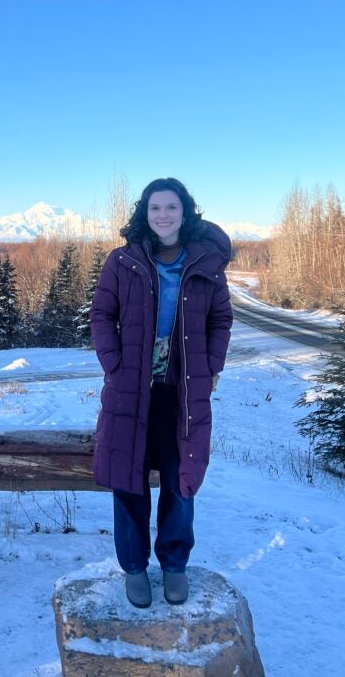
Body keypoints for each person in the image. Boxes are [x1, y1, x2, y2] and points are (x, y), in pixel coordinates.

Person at [89, 177, 233, 608]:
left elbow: (220, 321)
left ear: (186, 212)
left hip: (183, 392)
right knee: (128, 480)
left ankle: (174, 564)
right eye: (156, 208)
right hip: (130, 389)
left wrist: (212, 365)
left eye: (172, 207)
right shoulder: (124, 261)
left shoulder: (205, 263)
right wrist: (115, 365)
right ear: (145, 214)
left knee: (179, 480)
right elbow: (101, 314)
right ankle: (134, 567)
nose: (164, 215)